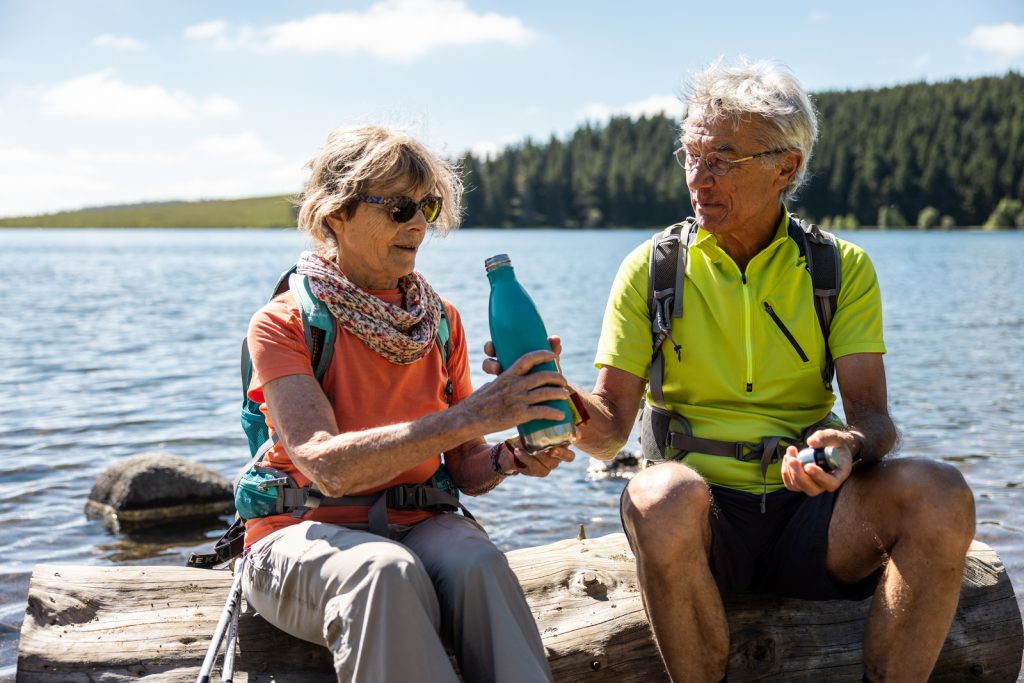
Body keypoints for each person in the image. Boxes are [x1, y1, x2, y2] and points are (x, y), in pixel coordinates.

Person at [535, 60, 974, 682]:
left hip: (816, 519)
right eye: (690, 156)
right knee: (659, 492)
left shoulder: (839, 270)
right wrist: (552, 394)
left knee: (940, 490)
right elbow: (606, 434)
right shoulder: (652, 269)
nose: (698, 178)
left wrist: (847, 447)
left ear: (785, 169)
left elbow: (874, 421)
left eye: (723, 159)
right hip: (704, 526)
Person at [241, 124, 572, 682]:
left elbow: (464, 466)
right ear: (335, 214)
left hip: (419, 522)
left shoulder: (439, 321)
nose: (418, 223)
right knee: (382, 570)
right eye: (397, 207)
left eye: (428, 205)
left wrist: (510, 455)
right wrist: (475, 413)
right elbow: (326, 466)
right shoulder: (285, 322)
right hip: (298, 532)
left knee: (480, 565)